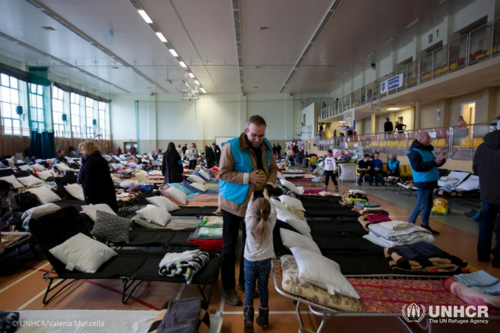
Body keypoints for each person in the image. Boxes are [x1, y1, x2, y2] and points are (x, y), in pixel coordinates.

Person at [219, 115, 277, 306]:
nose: (257, 140)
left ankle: (245, 283)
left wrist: (267, 184)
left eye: (261, 135)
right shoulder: (231, 147)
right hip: (232, 203)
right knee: (228, 247)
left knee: (249, 245)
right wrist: (247, 177)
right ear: (246, 131)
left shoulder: (266, 145)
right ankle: (228, 288)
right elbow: (223, 173)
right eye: (254, 135)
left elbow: (273, 169)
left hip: (255, 203)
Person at [243, 189, 276, 331]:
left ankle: (248, 317)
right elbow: (273, 210)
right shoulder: (271, 222)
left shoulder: (248, 221)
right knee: (263, 287)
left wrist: (251, 197)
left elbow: (249, 208)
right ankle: (263, 319)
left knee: (249, 287)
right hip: (265, 261)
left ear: (253, 212)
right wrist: (267, 197)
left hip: (249, 260)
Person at [473, 120, 500, 267]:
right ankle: (498, 259)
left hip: (488, 192)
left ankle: (482, 255)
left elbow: (476, 168)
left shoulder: (482, 147)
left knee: (485, 225)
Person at [407, 132, 445, 235]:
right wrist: (434, 162)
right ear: (420, 139)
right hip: (423, 181)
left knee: (428, 205)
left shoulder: (427, 150)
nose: (430, 139)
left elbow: (433, 164)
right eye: (428, 138)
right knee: (420, 205)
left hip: (431, 180)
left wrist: (441, 161)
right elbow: (417, 167)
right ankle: (409, 226)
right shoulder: (415, 152)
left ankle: (425, 225)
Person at [77, 141, 118, 212]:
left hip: (96, 192)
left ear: (89, 149)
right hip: (103, 189)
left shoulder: (92, 161)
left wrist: (87, 193)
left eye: (83, 150)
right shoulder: (97, 158)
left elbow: (90, 179)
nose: (82, 152)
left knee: (97, 211)